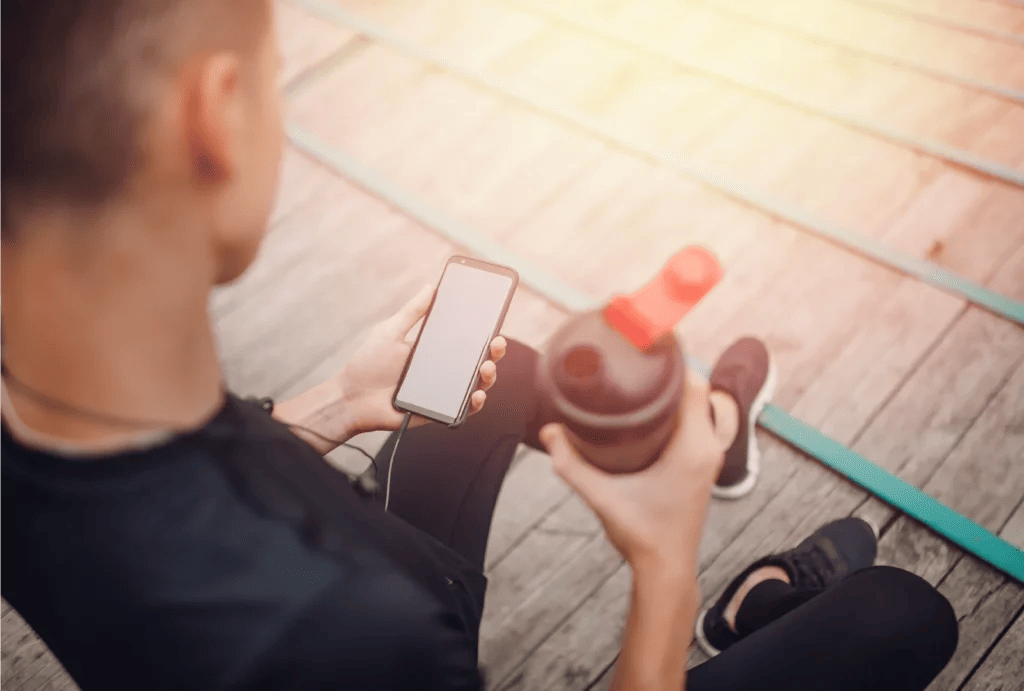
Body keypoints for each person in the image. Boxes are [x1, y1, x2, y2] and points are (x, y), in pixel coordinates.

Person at [0, 1, 958, 689]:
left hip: (385, 571)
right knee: (903, 614)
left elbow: (151, 494)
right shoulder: (354, 635)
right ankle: (725, 596)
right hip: (405, 611)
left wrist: (336, 399)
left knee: (503, 375)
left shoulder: (45, 405)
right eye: (274, 79)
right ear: (214, 115)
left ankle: (712, 447)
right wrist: (666, 563)